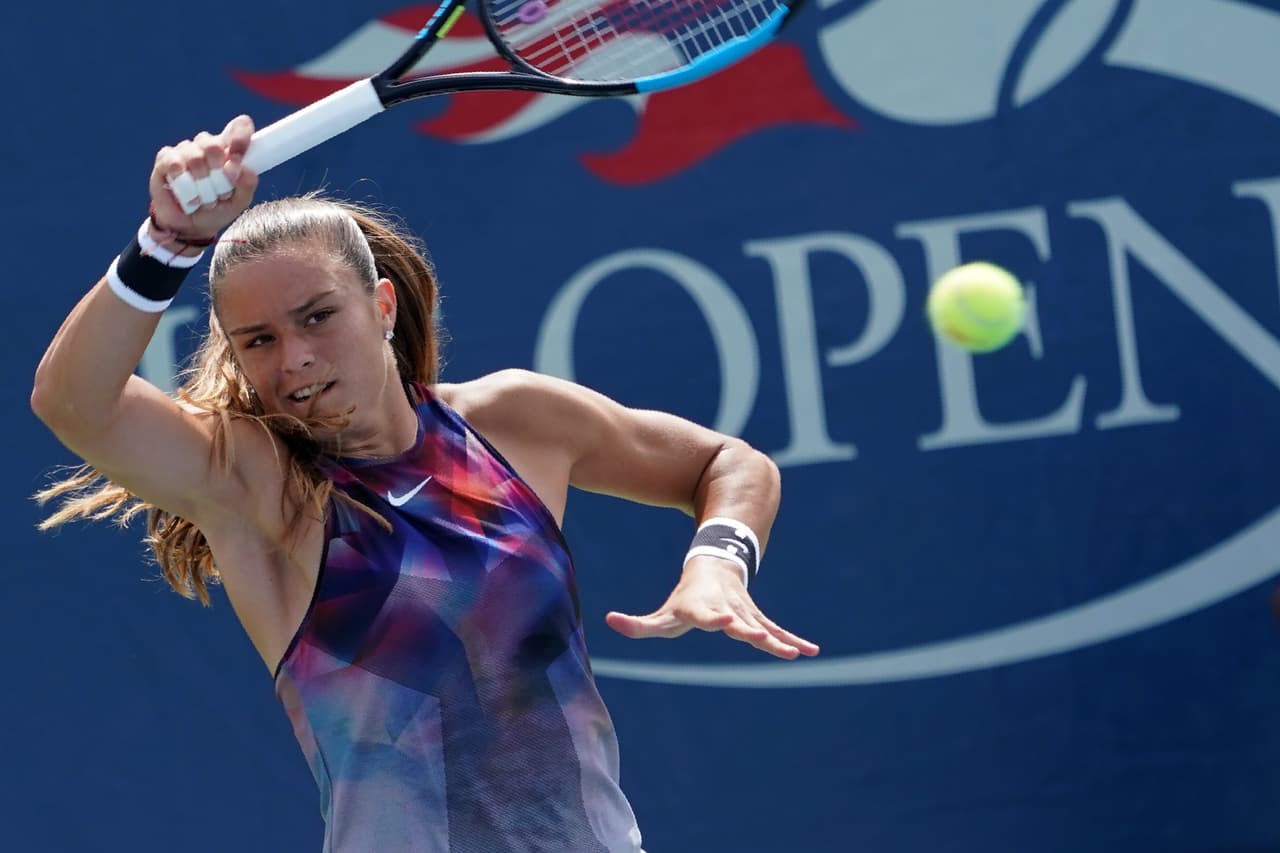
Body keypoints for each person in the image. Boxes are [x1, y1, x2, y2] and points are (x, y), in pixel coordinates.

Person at [31, 115, 820, 852]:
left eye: (317, 316)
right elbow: (72, 403)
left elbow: (728, 463)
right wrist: (166, 242)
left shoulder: (514, 420)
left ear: (381, 306)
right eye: (259, 340)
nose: (294, 357)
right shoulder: (255, 485)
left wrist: (718, 561)